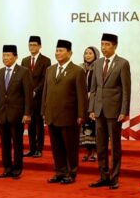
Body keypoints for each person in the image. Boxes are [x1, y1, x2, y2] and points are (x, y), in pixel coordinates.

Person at [88, 33, 131, 190]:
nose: (104, 47)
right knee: (100, 146)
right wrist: (91, 108)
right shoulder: (97, 63)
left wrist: (124, 110)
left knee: (115, 146)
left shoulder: (122, 63)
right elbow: (93, 89)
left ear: (115, 46)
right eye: (102, 44)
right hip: (99, 110)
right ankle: (103, 176)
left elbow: (126, 90)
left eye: (107, 44)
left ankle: (114, 177)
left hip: (114, 111)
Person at [42, 39, 87, 185]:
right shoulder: (50, 69)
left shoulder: (78, 71)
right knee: (56, 147)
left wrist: (81, 114)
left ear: (70, 53)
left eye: (61, 50)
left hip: (70, 116)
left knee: (70, 146)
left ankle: (71, 172)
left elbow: (82, 95)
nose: (58, 53)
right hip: (52, 115)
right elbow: (45, 92)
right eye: (56, 50)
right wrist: (44, 110)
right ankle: (59, 172)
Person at [0, 45, 33, 180]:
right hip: (2, 114)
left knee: (17, 143)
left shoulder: (23, 72)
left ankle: (17, 169)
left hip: (17, 114)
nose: (5, 58)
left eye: (8, 55)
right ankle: (6, 168)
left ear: (15, 57)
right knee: (5, 144)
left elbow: (28, 95)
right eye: (4, 55)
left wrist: (27, 113)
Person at [21, 36, 51, 158]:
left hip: (39, 97)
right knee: (30, 125)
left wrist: (36, 91)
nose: (32, 47)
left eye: (34, 45)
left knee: (39, 125)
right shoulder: (25, 60)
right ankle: (32, 148)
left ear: (39, 46)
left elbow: (45, 79)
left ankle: (39, 149)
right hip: (28, 98)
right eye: (30, 45)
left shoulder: (46, 60)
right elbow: (23, 78)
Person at [79, 46, 100, 162]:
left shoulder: (99, 67)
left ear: (96, 55)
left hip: (95, 102)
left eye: (90, 53)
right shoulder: (81, 68)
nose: (88, 55)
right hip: (84, 102)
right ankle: (88, 150)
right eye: (86, 53)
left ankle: (96, 151)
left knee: (95, 126)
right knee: (85, 126)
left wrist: (91, 95)